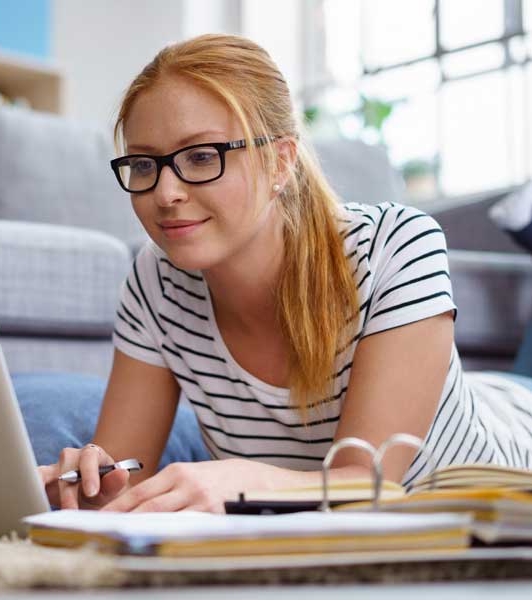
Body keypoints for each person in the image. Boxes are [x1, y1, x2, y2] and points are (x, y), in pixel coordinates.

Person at [37, 33, 532, 513]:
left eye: (202, 156)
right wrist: (88, 487)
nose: (165, 193)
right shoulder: (156, 280)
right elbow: (128, 483)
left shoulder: (395, 244)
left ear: (280, 162)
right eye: (145, 165)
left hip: (505, 457)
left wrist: (238, 481)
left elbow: (369, 485)